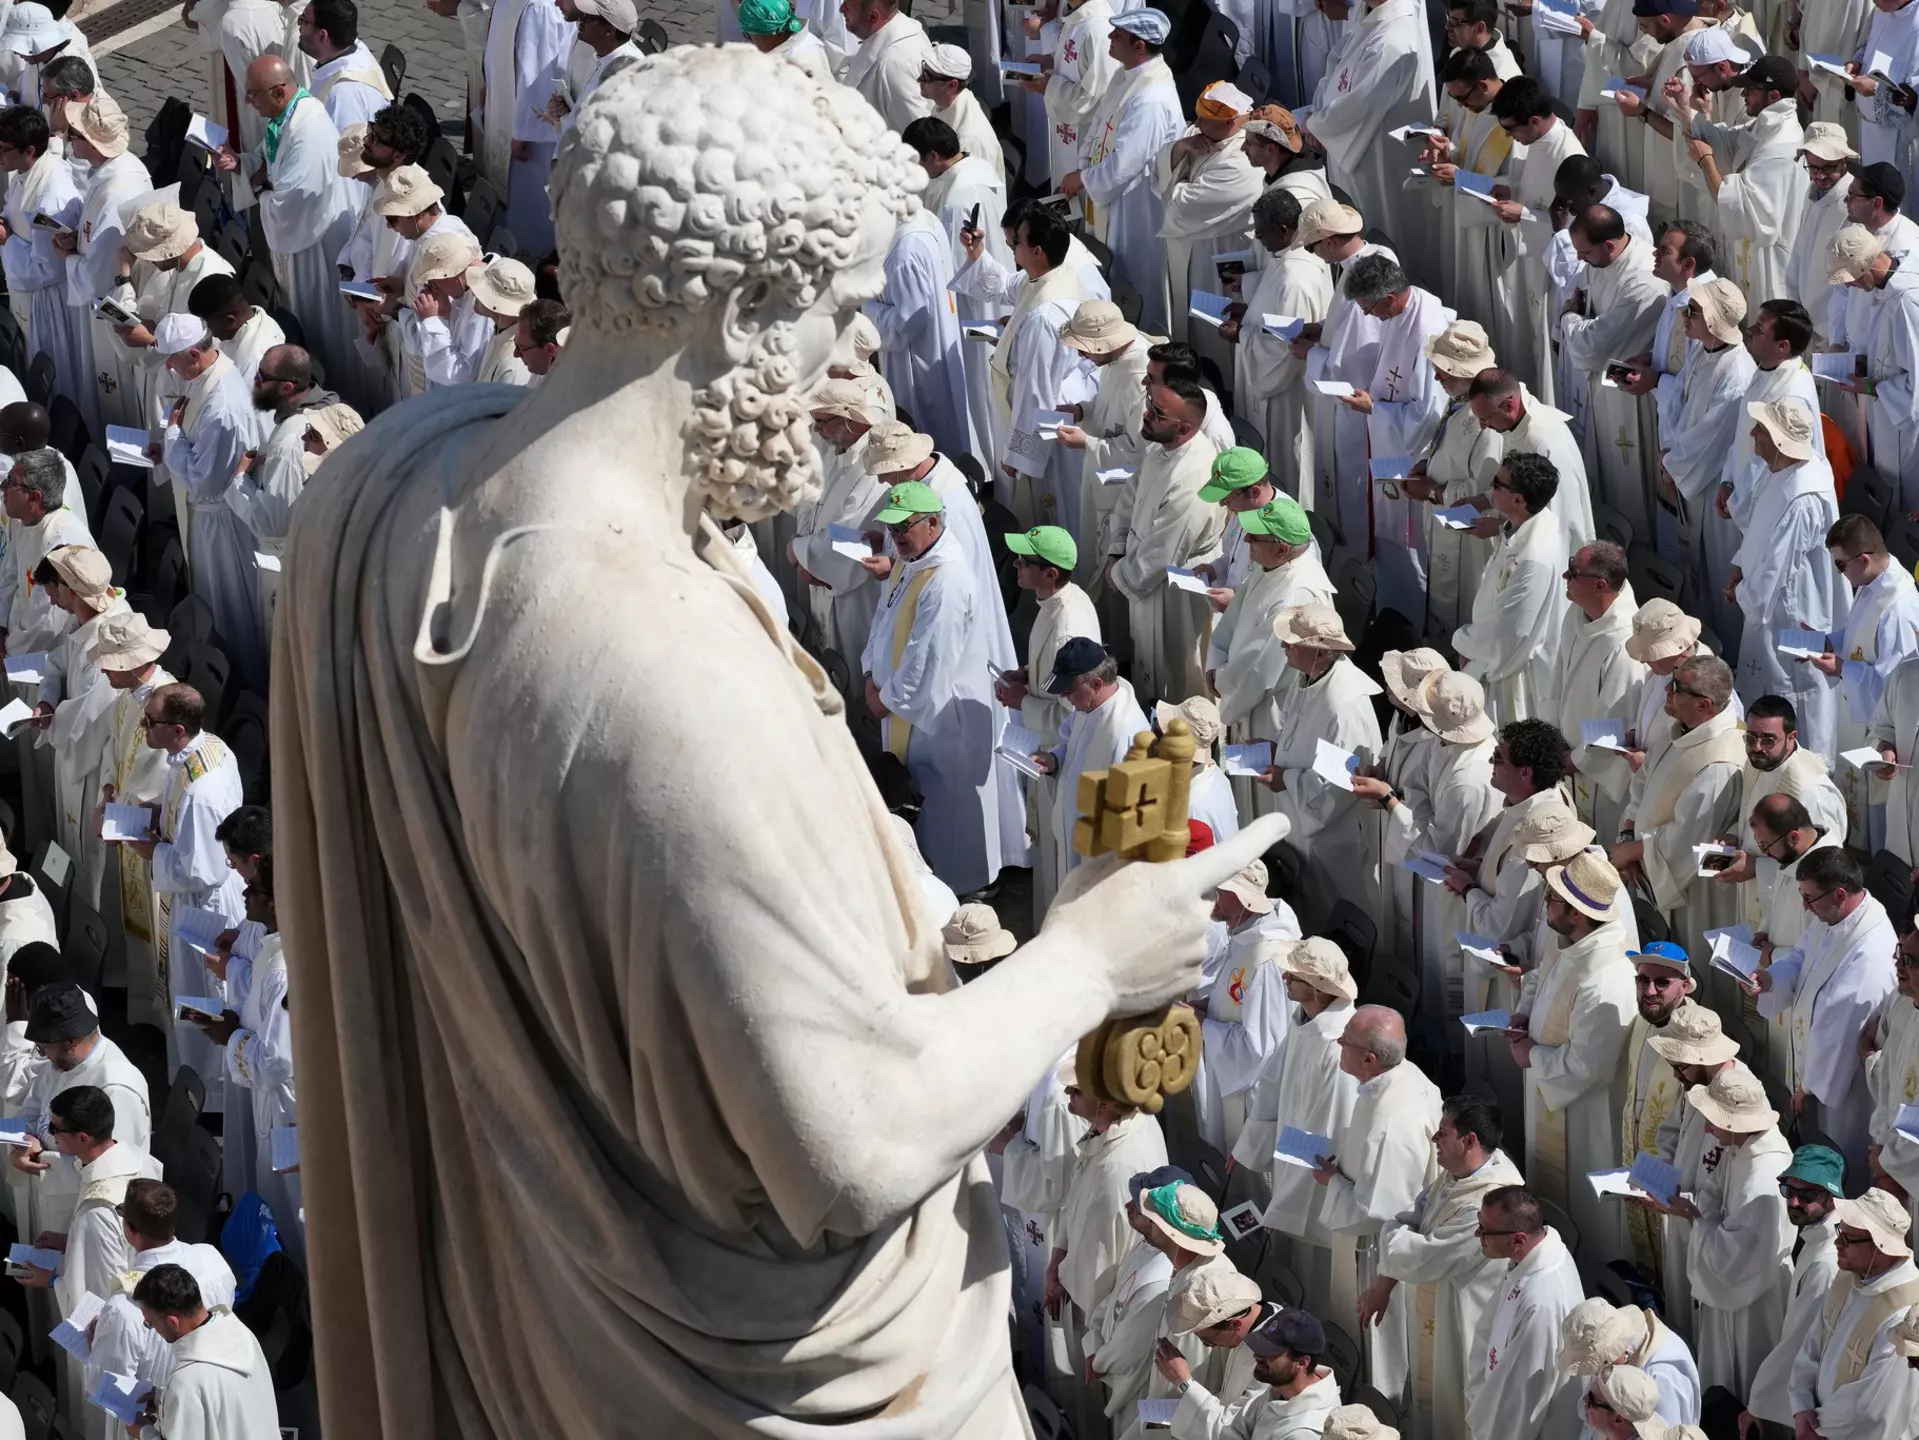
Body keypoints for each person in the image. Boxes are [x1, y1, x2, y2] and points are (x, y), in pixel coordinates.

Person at [858, 481, 1004, 898]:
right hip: (904, 706)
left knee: (943, 808)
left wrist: (884, 700)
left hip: (938, 717)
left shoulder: (946, 580)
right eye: (894, 526)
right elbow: (884, 620)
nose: (898, 535)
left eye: (906, 525)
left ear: (934, 522)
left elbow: (930, 658)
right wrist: (871, 671)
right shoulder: (914, 560)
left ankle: (959, 887)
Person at [1361, 1094, 1524, 1439]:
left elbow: (1425, 1256)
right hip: (1438, 1305)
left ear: (1469, 1141)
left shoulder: (1491, 1201)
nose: (1434, 1139)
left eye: (1442, 1133)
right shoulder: (1456, 1176)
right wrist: (1402, 1238)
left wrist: (1400, 1237)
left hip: (1464, 1319)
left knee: (1455, 1409)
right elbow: (1408, 1218)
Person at [1511, 849, 1636, 1268]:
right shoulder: (1572, 943)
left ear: (1578, 913)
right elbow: (1542, 979)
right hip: (1550, 1095)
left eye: (1554, 899)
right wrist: (1524, 1015)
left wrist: (1533, 1057)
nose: (1546, 903)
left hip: (1584, 1117)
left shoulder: (1605, 978)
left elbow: (1590, 1067)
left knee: (1585, 1212)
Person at [124, 683, 244, 1105]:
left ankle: (211, 1093)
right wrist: (156, 814)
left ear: (177, 729)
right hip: (192, 898)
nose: (144, 727)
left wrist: (151, 849)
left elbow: (203, 869)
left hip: (204, 908)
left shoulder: (202, 790)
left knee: (203, 996)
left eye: (150, 722)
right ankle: (191, 1078)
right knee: (186, 992)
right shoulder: (204, 748)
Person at [1318, 1006, 1443, 1401]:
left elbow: (1382, 1212)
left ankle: (1384, 1412)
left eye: (1346, 1041)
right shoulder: (1400, 1077)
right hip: (1382, 1240)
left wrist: (1333, 1181)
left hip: (1382, 1255)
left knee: (1385, 1350)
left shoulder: (1393, 1122)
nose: (1338, 1043)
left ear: (1370, 1059)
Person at [1232, 937, 1360, 1320]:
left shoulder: (1338, 1045)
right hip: (1290, 1167)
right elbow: (1271, 1084)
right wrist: (1245, 1147)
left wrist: (1282, 1203)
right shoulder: (1303, 1023)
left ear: (1319, 987)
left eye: (1295, 973)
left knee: (1321, 1285)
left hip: (1314, 1184)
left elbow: (1326, 1135)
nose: (1285, 976)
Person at [1755, 845, 1898, 1181]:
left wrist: (1810, 1086)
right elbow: (1802, 957)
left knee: (1838, 1156)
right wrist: (1770, 979)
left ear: (1839, 894)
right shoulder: (1834, 916)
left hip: (1842, 1087)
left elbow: (1844, 1026)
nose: (1805, 907)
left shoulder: (1871, 951)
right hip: (1818, 1068)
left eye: (1810, 898)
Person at [1613, 653, 1747, 976]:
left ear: (1704, 705)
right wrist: (1629, 831)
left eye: (1677, 687)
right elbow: (1642, 784)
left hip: (1693, 893)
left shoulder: (1721, 762)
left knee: (1690, 971)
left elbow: (1688, 841)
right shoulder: (1681, 730)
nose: (1667, 691)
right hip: (1649, 868)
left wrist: (1632, 851)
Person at [153, 312, 269, 684]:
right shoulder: (206, 375)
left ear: (194, 354)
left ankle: (241, 683)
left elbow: (204, 481)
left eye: (172, 358)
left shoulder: (222, 407)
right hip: (208, 516)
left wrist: (172, 438)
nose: (168, 367)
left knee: (228, 605)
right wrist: (172, 445)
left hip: (221, 522)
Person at [954, 202, 1085, 529]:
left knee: (1049, 505)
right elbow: (1006, 285)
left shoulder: (1044, 316)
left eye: (1016, 244)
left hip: (1047, 426)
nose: (1012, 250)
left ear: (1037, 250)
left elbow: (1036, 392)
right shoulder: (1052, 276)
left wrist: (1020, 455)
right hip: (1043, 407)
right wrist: (978, 253)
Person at [1726, 399, 1843, 762]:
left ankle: (1802, 769)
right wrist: (1740, 565)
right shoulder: (1782, 469)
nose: (1753, 435)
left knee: (1797, 691)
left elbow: (1777, 566)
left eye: (1761, 430)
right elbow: (1760, 533)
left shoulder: (1802, 497)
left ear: (1778, 441)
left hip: (1793, 612)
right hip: (1771, 600)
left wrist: (1743, 591)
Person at [1060, 8, 1183, 333]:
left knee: (1136, 278)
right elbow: (1099, 125)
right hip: (1111, 199)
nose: (1110, 39)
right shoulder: (1127, 74)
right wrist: (1084, 165)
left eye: (1118, 35)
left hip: (1136, 208)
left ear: (1139, 45)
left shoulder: (1152, 98)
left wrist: (1084, 178)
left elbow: (1125, 164)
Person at [1256, 604, 1385, 916]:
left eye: (1292, 641)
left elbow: (1335, 788)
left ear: (1321, 652)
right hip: (1299, 823)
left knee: (1329, 912)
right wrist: (1276, 750)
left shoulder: (1344, 705)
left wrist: (1284, 778)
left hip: (1331, 840)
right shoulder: (1309, 677)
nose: (1283, 645)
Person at [1342, 253, 1450, 618]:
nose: (1370, 318)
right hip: (1392, 445)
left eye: (1370, 309)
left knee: (1412, 545)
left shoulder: (1428, 332)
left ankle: (1416, 619)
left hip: (1415, 458)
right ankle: (1393, 610)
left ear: (1390, 298)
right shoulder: (1403, 310)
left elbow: (1430, 415)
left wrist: (1376, 409)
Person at [1106, 378, 1223, 703]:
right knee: (1148, 661)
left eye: (1157, 413)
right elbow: (1130, 496)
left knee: (1180, 675)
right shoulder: (1161, 447)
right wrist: (1117, 549)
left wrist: (1120, 574)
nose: (1146, 414)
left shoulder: (1195, 474)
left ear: (1184, 427)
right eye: (1150, 406)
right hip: (1142, 568)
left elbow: (1166, 550)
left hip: (1179, 588)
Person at [1049, 1079, 1171, 1392]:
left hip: (1102, 1315)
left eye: (1077, 1090)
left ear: (1104, 1104)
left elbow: (1098, 1267)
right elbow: (1075, 1197)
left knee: (1096, 1403)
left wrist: (1057, 1276)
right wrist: (1056, 1257)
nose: (1067, 1094)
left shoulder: (1116, 1168)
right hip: (1100, 1295)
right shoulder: (1128, 1123)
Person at [7, 982, 151, 1245]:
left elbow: (116, 1174)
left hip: (88, 1216)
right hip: (54, 1199)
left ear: (71, 1041)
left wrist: (40, 1162)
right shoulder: (62, 1061)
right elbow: (35, 1103)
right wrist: (27, 1137)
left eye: (44, 1047)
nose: (42, 1055)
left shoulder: (117, 1089)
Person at [1300, 0, 1438, 266]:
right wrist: (1319, 114)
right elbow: (1338, 63)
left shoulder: (1393, 38)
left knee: (1381, 232)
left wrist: (1318, 124)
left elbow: (1362, 102)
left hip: (1377, 156)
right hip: (1356, 143)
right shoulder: (1372, 15)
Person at [86, 1179, 238, 1412]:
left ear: (131, 1229)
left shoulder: (123, 1308)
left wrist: (96, 1345)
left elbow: (106, 1388)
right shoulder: (213, 1259)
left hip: (151, 1418)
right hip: (207, 1396)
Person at [1786, 1188, 1919, 1439]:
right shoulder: (1849, 1277)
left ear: (1880, 1246)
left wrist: (1818, 1430)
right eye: (1839, 1232)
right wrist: (1801, 1406)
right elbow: (1813, 1344)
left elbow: (1872, 1407)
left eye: (1847, 1239)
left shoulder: (1907, 1312)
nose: (1837, 1243)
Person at [1821, 516, 1919, 848]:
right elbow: (1859, 636)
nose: (1839, 573)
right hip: (1857, 719)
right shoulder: (1873, 582)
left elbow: (1896, 688)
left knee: (1880, 828)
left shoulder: (1898, 608)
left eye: (1840, 564)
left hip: (1882, 739)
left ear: (1864, 558)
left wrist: (1841, 669)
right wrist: (1830, 642)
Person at [1228, 190, 1331, 502]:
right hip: (1278, 387)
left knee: (1286, 467)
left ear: (1285, 230)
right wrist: (1247, 311)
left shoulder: (1296, 274)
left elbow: (1284, 348)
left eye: (1262, 231)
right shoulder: (1289, 257)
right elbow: (1274, 312)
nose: (1258, 239)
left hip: (1285, 395)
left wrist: (1240, 336)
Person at [1189, 863, 1299, 1152]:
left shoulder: (1265, 958)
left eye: (1219, 891)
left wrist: (1204, 1024)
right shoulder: (1244, 933)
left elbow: (1263, 1048)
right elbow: (1239, 1000)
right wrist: (1210, 1006)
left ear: (1241, 899)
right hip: (1231, 1075)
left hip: (1253, 1097)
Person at [1453, 452, 1570, 724]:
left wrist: (1464, 643)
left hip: (1513, 675)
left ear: (1519, 499)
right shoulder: (1520, 527)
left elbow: (1510, 632)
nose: (1490, 488)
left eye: (1496, 484)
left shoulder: (1534, 556)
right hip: (1491, 653)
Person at [1463, 1185, 1587, 1440]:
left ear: (1518, 1239)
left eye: (1485, 1230)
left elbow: (1524, 1397)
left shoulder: (1541, 1301)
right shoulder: (1535, 1257)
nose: (1477, 1233)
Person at [1659, 277, 1756, 597]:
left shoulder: (1736, 373)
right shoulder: (1704, 350)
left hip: (1713, 482)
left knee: (1713, 570)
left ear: (1713, 322)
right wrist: (1669, 448)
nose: (1684, 316)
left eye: (1694, 311)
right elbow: (1678, 402)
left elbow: (1712, 437)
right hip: (1688, 469)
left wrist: (1672, 463)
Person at [59, 94, 149, 434]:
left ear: (92, 144)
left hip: (110, 307)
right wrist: (78, 240)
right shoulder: (119, 168)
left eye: (74, 134)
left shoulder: (116, 193)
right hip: (106, 291)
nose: (68, 139)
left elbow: (99, 274)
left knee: (113, 387)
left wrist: (68, 258)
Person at [1742, 1145, 1846, 1435]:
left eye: (1808, 1195)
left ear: (1833, 1196)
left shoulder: (1827, 1262)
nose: (1795, 1201)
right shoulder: (1817, 1237)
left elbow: (1798, 1345)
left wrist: (1757, 1401)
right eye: (1789, 1191)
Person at [1153, 80, 1262, 348]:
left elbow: (1180, 208)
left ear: (1229, 123)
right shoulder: (1206, 132)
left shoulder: (1243, 160)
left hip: (1216, 256)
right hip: (1191, 248)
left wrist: (1179, 182)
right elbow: (1165, 168)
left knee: (1214, 337)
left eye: (1205, 120)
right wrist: (1180, 149)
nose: (1197, 125)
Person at [868, 191, 973, 464]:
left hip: (917, 360)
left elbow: (909, 321)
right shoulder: (925, 218)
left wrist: (867, 308)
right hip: (938, 340)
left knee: (925, 427)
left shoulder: (904, 253)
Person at [1549, 541, 1645, 832]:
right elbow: (1559, 676)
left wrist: (1575, 759)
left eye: (1573, 572)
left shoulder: (1625, 642)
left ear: (1600, 585)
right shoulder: (1578, 612)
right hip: (1566, 756)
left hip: (1594, 774)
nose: (1566, 578)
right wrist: (1552, 734)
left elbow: (1616, 722)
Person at [1036, 638, 1147, 886]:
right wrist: (1054, 759)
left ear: (1097, 683)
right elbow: (1071, 742)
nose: (1066, 698)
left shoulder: (1125, 731)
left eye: (1069, 691)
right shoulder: (1089, 705)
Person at [1618, 943, 1697, 1277]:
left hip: (1673, 1178)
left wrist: (1658, 1175)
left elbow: (1690, 1128)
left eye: (1662, 983)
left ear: (1685, 986)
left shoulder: (1695, 1038)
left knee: (1675, 1271)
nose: (1649, 991)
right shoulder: (1642, 1022)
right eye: (1642, 980)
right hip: (1639, 1167)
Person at [1829, 222, 1919, 511]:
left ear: (1867, 264)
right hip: (1884, 413)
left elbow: (1916, 387)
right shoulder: (1885, 288)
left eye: (1850, 278)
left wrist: (1867, 386)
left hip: (1904, 431)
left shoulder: (1906, 301)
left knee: (1902, 499)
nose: (1848, 286)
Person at [133, 1264, 280, 1440]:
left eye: (150, 1323)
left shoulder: (186, 1380)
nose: (152, 1328)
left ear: (173, 1323)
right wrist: (161, 1399)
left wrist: (143, 1432)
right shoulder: (242, 1335)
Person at [0, 105, 82, 418]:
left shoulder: (51, 199)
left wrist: (7, 241)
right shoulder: (26, 172)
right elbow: (13, 212)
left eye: (3, 149)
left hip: (48, 302)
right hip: (30, 291)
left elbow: (47, 268)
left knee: (55, 370)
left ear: (30, 150)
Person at [1467, 367, 1596, 561]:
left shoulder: (1544, 443)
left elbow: (1555, 519)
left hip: (1556, 558)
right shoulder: (1515, 426)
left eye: (1486, 418)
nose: (1483, 426)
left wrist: (1500, 528)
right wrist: (1484, 501)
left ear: (1509, 404)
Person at [472, 0, 569, 255]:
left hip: (530, 135)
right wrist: (490, 82)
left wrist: (522, 133)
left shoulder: (540, 9)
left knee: (529, 199)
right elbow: (503, 47)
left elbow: (538, 75)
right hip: (509, 106)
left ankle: (532, 258)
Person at [1147, 1266, 1265, 1436]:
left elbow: (1232, 1432)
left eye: (1207, 1340)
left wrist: (1184, 1381)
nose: (1211, 1346)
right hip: (1215, 1414)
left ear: (1235, 1324)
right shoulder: (1248, 1330)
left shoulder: (1270, 1360)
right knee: (1150, 1417)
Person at [0, 442, 92, 658]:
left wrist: (6, 653)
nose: (3, 486)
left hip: (41, 657)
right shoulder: (27, 521)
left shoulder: (60, 547)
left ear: (35, 497)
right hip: (12, 638)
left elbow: (46, 627)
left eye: (11, 482)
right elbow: (9, 575)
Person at [1208, 1310, 1344, 1438]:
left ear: (1302, 1362)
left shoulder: (1303, 1433)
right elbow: (1234, 1427)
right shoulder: (1282, 1388)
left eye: (1270, 1351)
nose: (1256, 1355)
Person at [1782, 125, 1856, 345]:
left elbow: (1848, 281)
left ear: (1844, 160)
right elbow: (1800, 250)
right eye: (1813, 168)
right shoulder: (1811, 192)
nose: (1820, 176)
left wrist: (1836, 335)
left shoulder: (1853, 202)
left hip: (1835, 330)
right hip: (1806, 320)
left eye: (1827, 167)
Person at [836, 0, 932, 132]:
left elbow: (918, 132)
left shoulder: (894, 64)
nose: (841, 10)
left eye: (847, 7)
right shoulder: (896, 28)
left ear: (873, 17)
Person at [298, 0, 392, 129]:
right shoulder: (355, 48)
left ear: (322, 36)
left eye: (304, 21)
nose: (299, 26)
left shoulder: (342, 96)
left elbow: (342, 147)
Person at [188, 272, 286, 390]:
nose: (206, 331)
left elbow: (249, 406)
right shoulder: (245, 320)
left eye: (207, 326)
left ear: (230, 320)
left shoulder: (255, 360)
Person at [513, 296, 568, 383]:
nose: (515, 354)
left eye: (522, 348)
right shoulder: (541, 372)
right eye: (516, 344)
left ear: (550, 350)